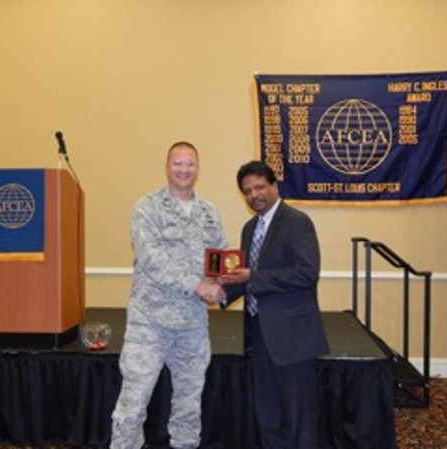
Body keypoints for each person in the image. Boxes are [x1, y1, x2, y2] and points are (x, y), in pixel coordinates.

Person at [110, 141, 227, 449]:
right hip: (149, 323)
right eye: (178, 163)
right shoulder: (147, 208)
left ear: (198, 169)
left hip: (192, 325)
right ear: (167, 166)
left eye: (190, 164)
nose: (184, 169)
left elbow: (219, 259)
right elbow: (152, 259)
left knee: (189, 407)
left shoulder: (210, 214)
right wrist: (198, 285)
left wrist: (218, 284)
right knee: (133, 404)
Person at [216, 160, 329, 449]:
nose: (254, 195)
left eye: (259, 187)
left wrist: (253, 276)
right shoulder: (249, 228)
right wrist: (220, 293)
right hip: (259, 336)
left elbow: (306, 273)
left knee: (299, 418)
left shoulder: (297, 222)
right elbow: (246, 279)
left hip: (293, 338)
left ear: (274, 186)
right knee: (268, 415)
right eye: (247, 191)